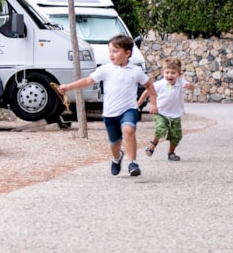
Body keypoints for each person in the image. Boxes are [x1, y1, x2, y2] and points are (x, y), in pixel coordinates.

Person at [56, 34, 157, 177]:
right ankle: (117, 158)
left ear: (127, 53)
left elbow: (150, 86)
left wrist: (153, 103)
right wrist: (68, 87)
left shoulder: (136, 71)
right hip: (110, 113)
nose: (111, 54)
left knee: (128, 131)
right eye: (110, 51)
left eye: (115, 51)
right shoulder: (105, 69)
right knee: (114, 144)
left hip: (129, 109)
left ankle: (132, 163)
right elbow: (87, 81)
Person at [138, 57, 195, 161]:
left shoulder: (181, 82)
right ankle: (153, 143)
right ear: (163, 73)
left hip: (175, 113)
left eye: (173, 73)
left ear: (179, 74)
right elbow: (147, 92)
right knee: (160, 129)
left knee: (176, 135)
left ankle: (171, 153)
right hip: (160, 112)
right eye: (167, 72)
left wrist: (190, 86)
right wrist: (138, 104)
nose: (170, 75)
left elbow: (191, 86)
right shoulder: (159, 84)